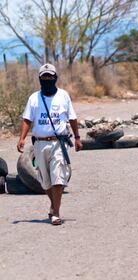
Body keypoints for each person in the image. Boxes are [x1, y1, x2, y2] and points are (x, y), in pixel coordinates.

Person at [17, 63, 82, 225]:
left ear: (55, 78)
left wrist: (77, 137)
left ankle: (56, 214)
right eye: (44, 77)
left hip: (58, 143)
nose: (47, 79)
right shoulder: (34, 98)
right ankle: (53, 205)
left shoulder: (63, 96)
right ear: (40, 79)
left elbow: (72, 117)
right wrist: (22, 138)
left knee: (58, 177)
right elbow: (27, 119)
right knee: (44, 181)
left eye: (50, 77)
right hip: (39, 144)